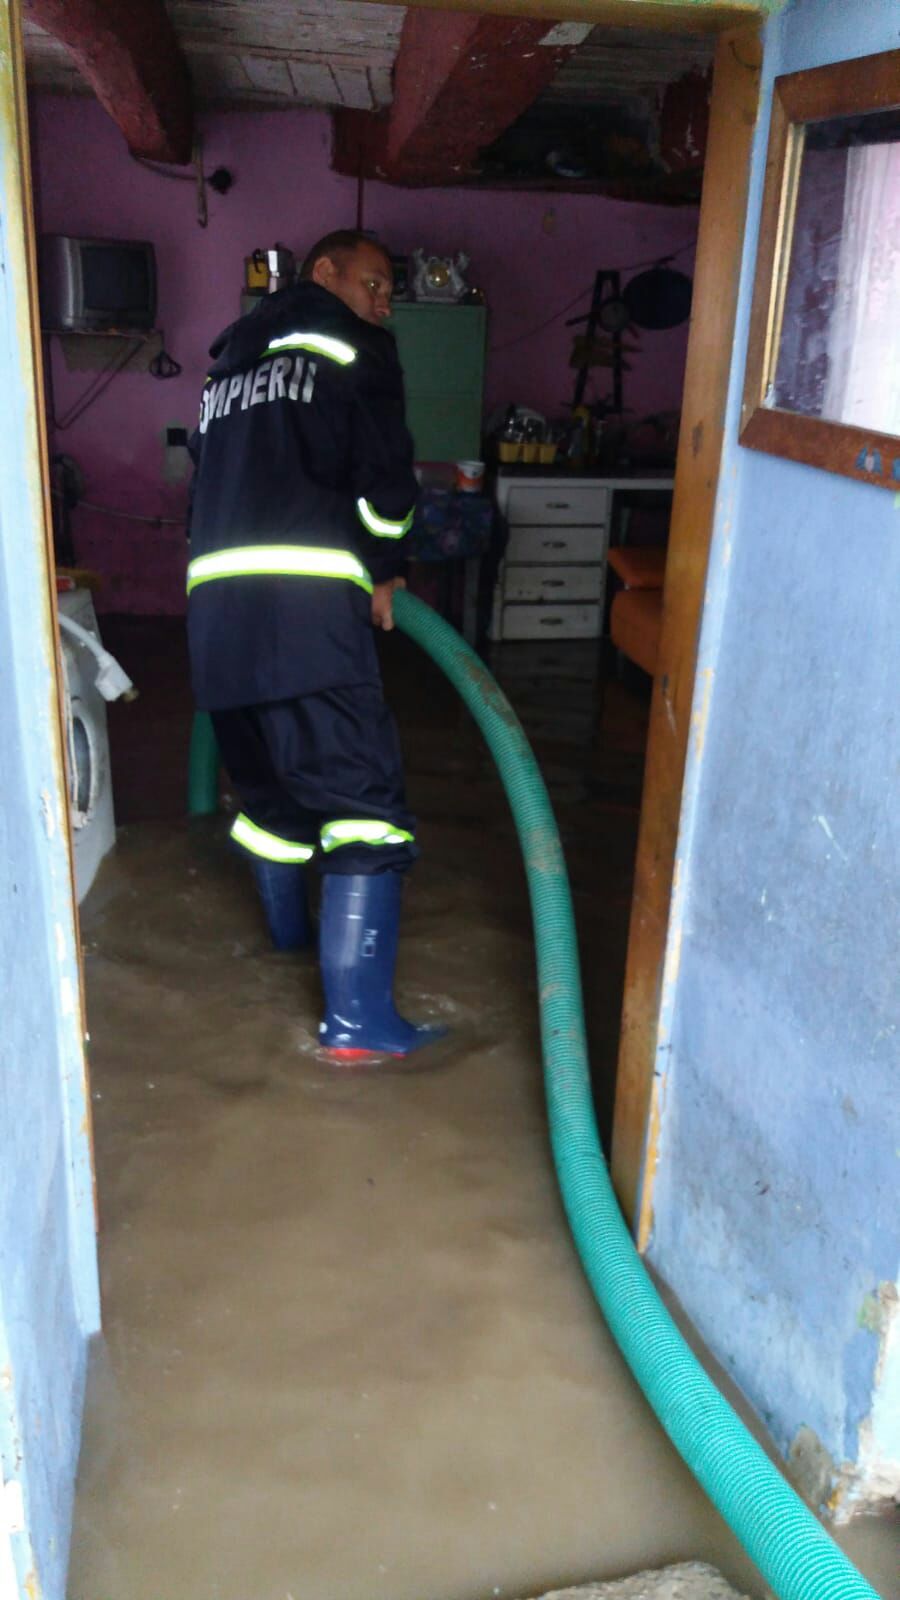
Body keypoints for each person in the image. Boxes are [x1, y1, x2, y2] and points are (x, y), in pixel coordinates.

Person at [186, 229, 442, 1059]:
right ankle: (358, 1027)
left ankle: (288, 956)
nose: (383, 303)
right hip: (306, 616)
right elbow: (386, 485)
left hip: (215, 617)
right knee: (365, 810)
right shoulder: (353, 346)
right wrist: (386, 567)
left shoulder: (227, 365)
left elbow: (210, 484)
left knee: (272, 804)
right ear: (324, 272)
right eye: (374, 282)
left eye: (389, 291)